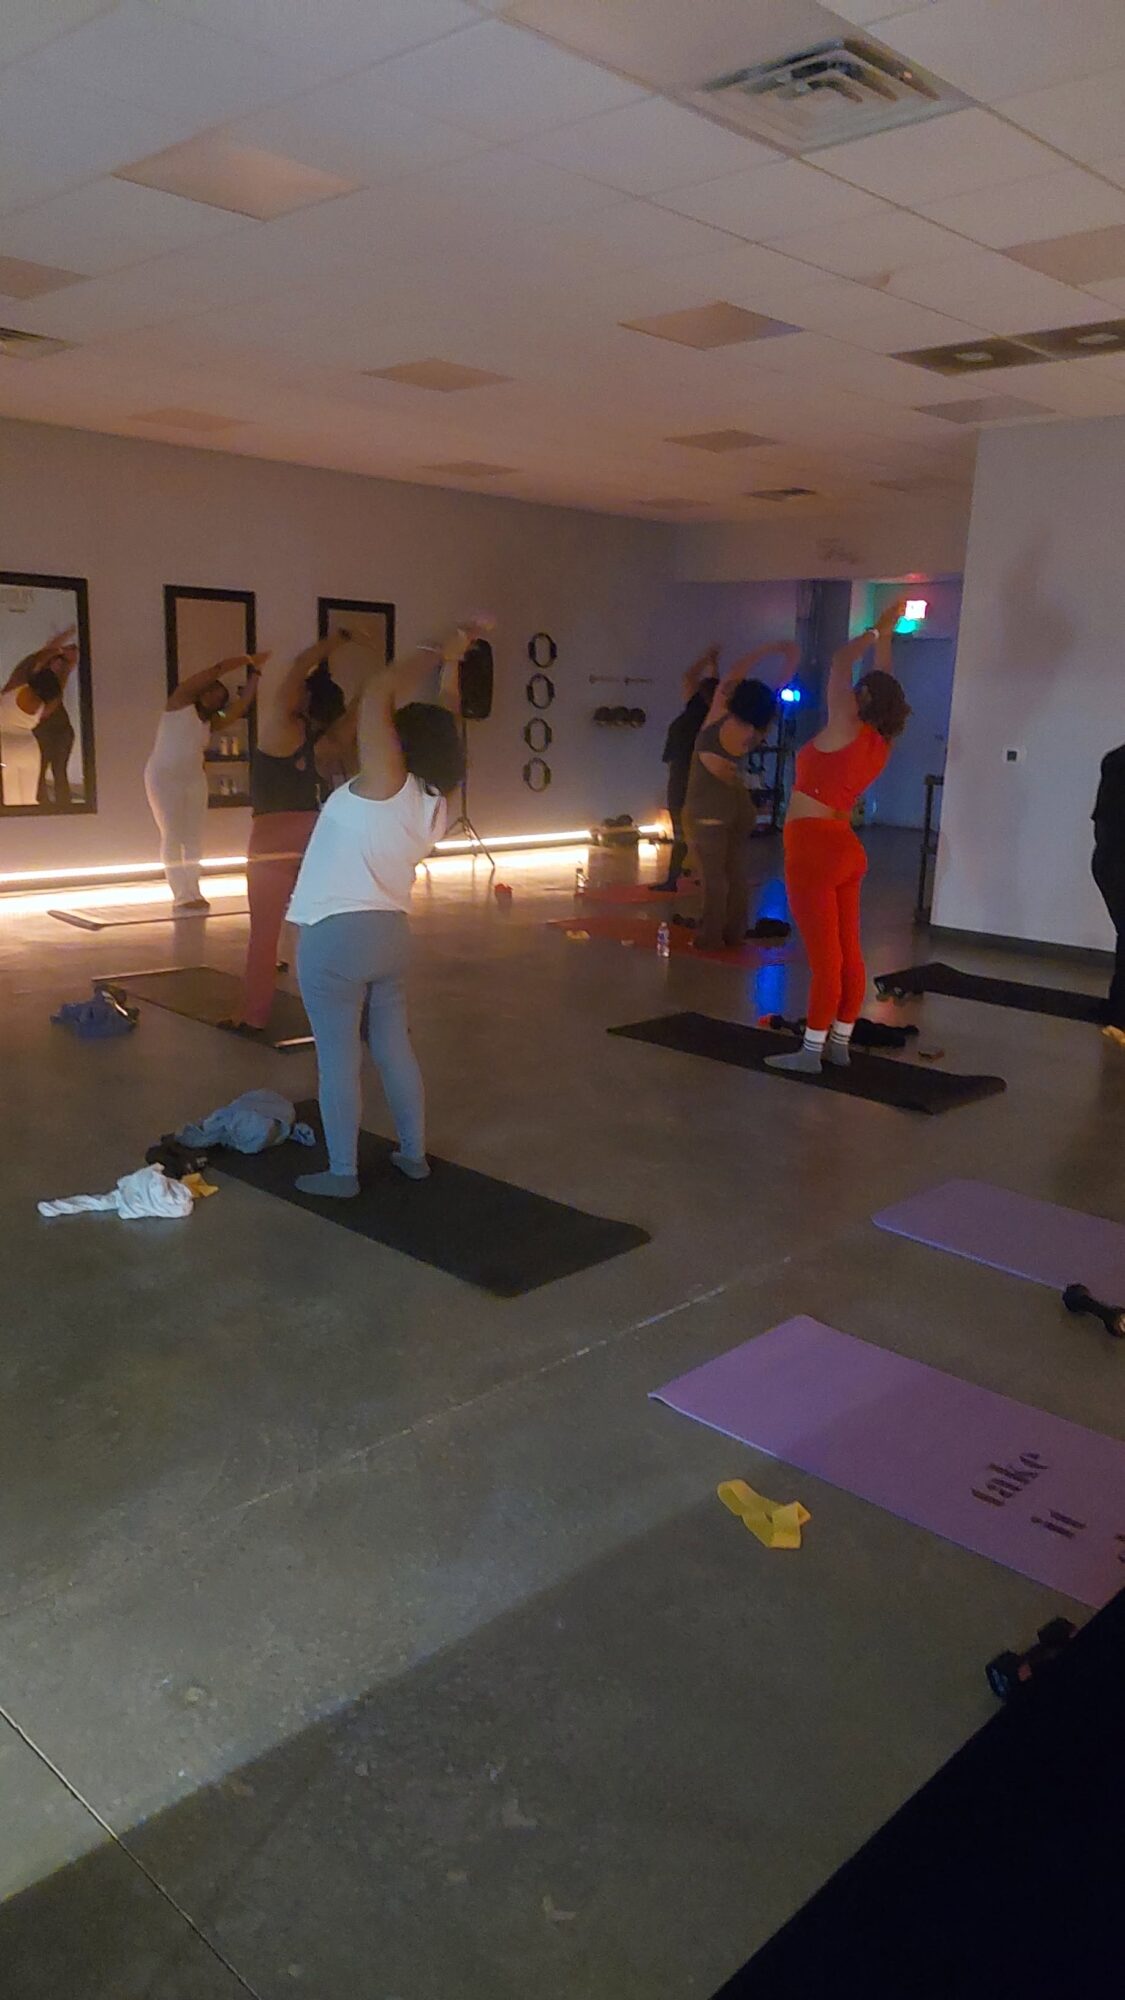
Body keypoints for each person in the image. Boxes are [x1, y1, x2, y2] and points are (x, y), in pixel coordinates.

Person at [286, 627, 476, 1200]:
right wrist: (452, 667)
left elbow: (376, 695)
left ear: (400, 744)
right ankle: (413, 1155)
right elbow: (448, 719)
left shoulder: (385, 785)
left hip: (336, 939)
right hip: (390, 935)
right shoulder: (436, 802)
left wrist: (437, 649)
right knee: (393, 1048)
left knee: (338, 1059)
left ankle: (342, 1172)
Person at [766, 600, 910, 1075]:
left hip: (813, 847)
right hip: (846, 847)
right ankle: (841, 1042)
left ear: (861, 698)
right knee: (849, 952)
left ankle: (811, 1052)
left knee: (826, 959)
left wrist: (873, 632)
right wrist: (887, 635)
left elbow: (840, 660)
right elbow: (885, 683)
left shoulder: (846, 721)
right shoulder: (880, 741)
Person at [221, 632, 351, 1036]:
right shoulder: (330, 743)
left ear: (306, 698)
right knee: (324, 929)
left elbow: (297, 668)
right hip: (317, 835)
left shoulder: (280, 728)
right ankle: (348, 1009)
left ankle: (253, 1015)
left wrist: (337, 640)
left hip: (272, 839)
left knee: (264, 934)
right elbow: (367, 705)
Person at [683, 640, 799, 951]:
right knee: (734, 872)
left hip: (707, 805)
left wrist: (765, 649)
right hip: (737, 806)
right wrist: (790, 658)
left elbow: (735, 672)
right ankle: (734, 932)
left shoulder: (719, 719)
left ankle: (710, 936)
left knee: (713, 878)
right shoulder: (758, 730)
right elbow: (777, 692)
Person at [144, 650, 267, 912]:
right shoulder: (179, 704)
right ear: (203, 692)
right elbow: (215, 669)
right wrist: (247, 660)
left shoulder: (211, 722)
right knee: (172, 834)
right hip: (163, 777)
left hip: (193, 779)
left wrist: (256, 674)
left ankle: (194, 890)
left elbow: (241, 707)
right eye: (213, 692)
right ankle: (181, 895)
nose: (215, 698)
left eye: (220, 698)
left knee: (193, 837)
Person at [650, 645, 721, 894]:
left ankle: (678, 878)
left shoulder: (707, 714)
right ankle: (683, 876)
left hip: (689, 773)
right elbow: (693, 679)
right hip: (685, 771)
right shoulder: (701, 709)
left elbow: (691, 678)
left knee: (686, 827)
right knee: (686, 826)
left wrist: (709, 661)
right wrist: (711, 661)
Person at [1, 623, 79, 807]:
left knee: (12, 800)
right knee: (29, 800)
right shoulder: (44, 706)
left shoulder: (14, 689)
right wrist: (68, 666)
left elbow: (38, 656)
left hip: (6, 745)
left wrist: (60, 648)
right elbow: (58, 690)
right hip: (30, 748)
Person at [1092, 739, 1125, 1033]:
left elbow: (1101, 823)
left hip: (1108, 861)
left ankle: (1117, 1008)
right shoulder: (1117, 762)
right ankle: (1119, 1012)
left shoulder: (1114, 759)